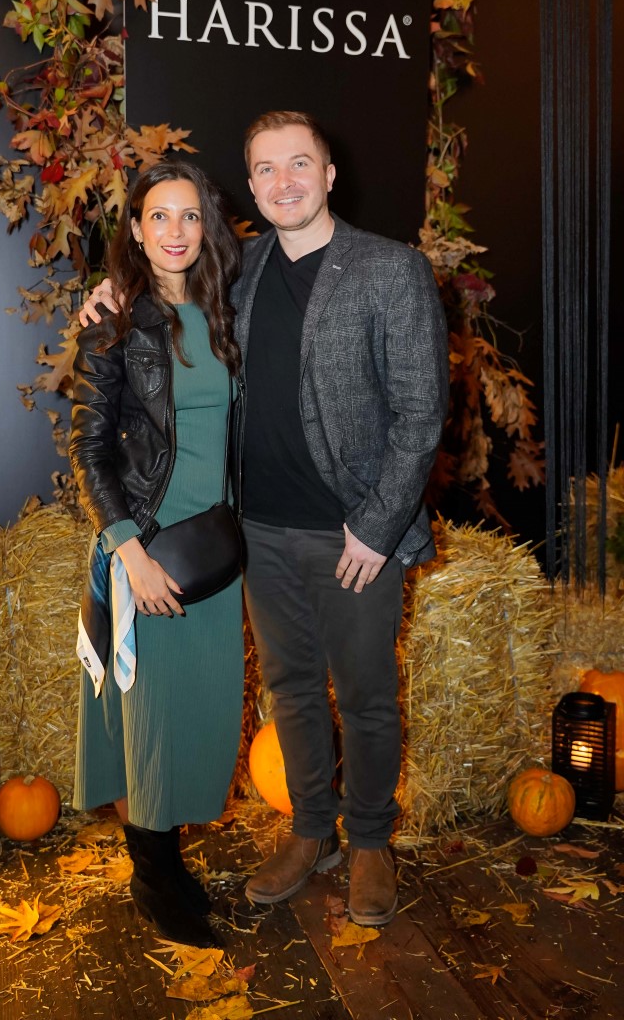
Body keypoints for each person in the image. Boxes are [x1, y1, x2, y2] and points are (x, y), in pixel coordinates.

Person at [81, 111, 449, 928]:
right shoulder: (236, 276)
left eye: (299, 164)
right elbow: (157, 299)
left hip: (355, 535)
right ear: (249, 187)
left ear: (329, 173)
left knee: (367, 695)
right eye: (267, 170)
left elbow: (423, 414)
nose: (284, 182)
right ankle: (311, 830)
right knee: (291, 692)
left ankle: (369, 842)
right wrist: (109, 293)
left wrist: (379, 526)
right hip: (259, 532)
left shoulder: (390, 269)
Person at [70, 160, 244, 948]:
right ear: (136, 231)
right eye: (159, 216)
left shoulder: (224, 310)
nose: (176, 231)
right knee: (149, 719)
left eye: (190, 216)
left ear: (207, 228)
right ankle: (153, 875)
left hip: (213, 549)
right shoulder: (113, 322)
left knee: (199, 711)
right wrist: (130, 555)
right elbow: (88, 450)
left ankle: (170, 866)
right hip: (149, 545)